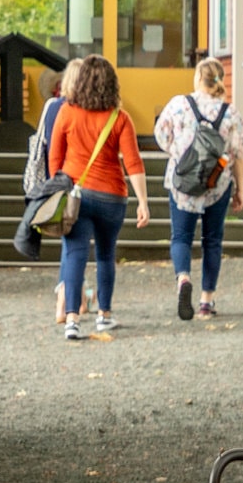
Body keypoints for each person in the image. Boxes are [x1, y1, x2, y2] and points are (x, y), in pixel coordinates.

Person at [46, 55, 149, 340]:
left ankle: (72, 320)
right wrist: (143, 201)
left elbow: (54, 157)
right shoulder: (120, 118)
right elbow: (133, 163)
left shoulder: (67, 112)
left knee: (74, 254)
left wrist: (58, 191)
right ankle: (104, 315)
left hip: (76, 195)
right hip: (112, 197)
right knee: (106, 254)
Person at [154, 56, 243, 321]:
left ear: (198, 78)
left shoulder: (179, 105)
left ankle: (183, 278)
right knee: (212, 240)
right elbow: (238, 154)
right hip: (217, 184)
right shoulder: (231, 113)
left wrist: (178, 153)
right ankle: (206, 300)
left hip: (183, 184)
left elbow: (161, 136)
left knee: (181, 237)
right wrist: (240, 189)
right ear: (220, 80)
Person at [31, 59, 86, 322]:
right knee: (73, 240)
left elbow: (42, 142)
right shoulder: (87, 109)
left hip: (57, 178)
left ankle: (75, 294)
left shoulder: (52, 106)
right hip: (82, 179)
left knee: (70, 238)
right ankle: (67, 296)